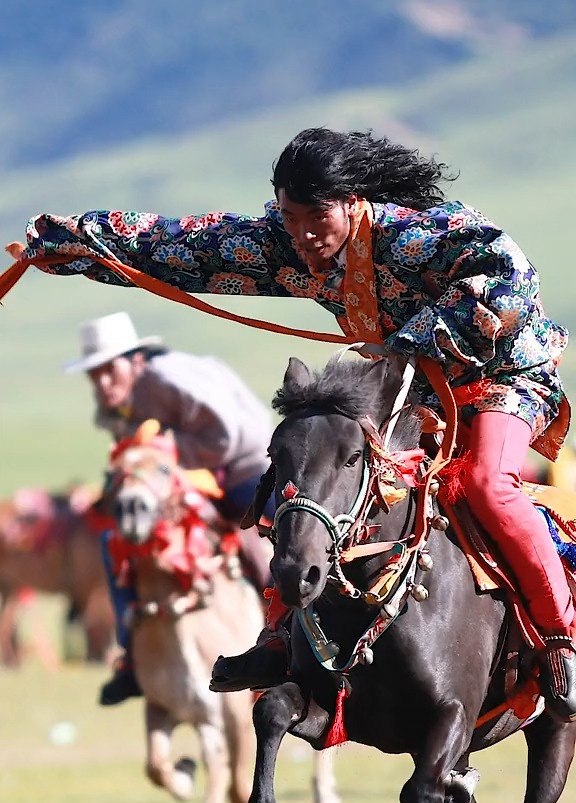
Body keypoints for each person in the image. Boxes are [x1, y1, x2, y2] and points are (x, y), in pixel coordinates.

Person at [12, 126, 576, 721]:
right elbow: (190, 247)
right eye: (289, 216)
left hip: (501, 376)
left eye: (318, 216)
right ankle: (283, 639)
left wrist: (410, 342)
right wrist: (76, 244)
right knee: (317, 483)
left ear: (355, 202)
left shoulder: (427, 233)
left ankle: (562, 638)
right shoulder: (292, 242)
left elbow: (512, 276)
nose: (303, 233)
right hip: (407, 385)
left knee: (487, 483)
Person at [66, 311, 273, 706]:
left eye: (110, 370)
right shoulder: (122, 401)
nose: (103, 383)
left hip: (243, 470)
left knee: (257, 542)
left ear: (136, 360)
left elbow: (223, 436)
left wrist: (159, 458)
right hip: (187, 478)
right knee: (119, 541)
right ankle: (133, 656)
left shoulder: (164, 378)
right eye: (95, 375)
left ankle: (284, 636)